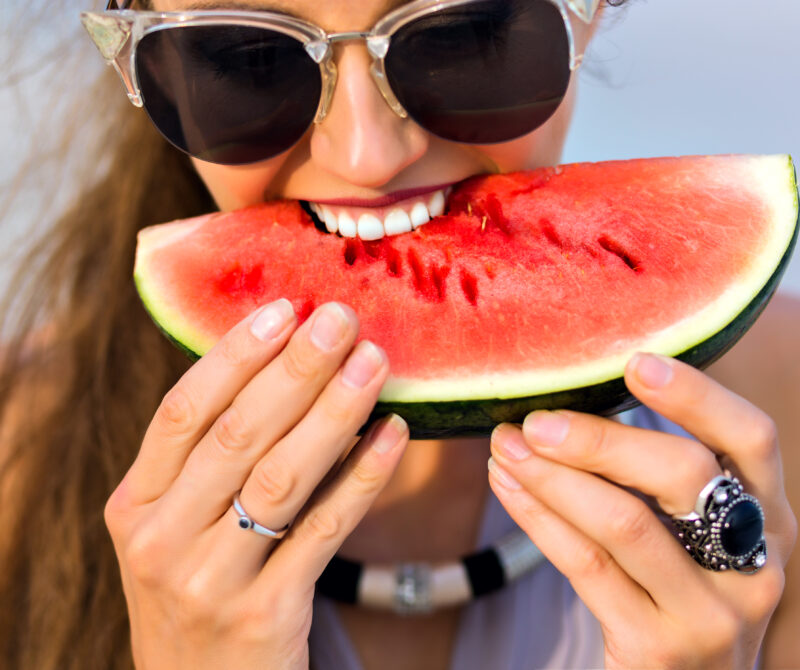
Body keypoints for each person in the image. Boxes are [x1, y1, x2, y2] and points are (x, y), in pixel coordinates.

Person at [0, 1, 798, 668]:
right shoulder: (14, 460)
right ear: (152, 73)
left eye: (459, 34)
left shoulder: (783, 418)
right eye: (247, 60)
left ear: (586, 17)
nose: (368, 157)